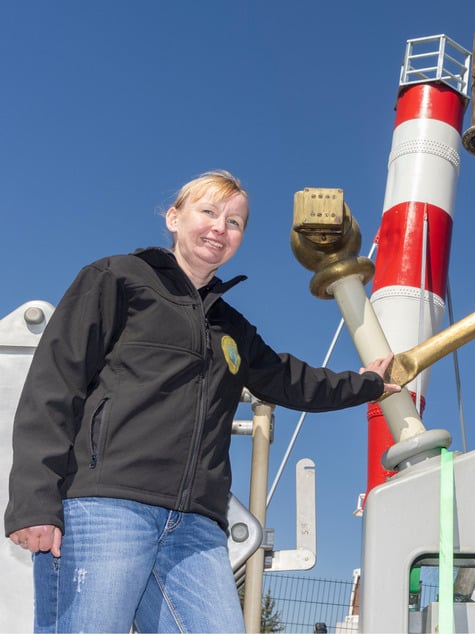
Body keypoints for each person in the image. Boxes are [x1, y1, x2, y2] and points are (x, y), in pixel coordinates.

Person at [4, 170, 401, 632]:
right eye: (208, 212)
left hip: (194, 526)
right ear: (174, 218)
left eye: (235, 222)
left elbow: (293, 381)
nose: (220, 228)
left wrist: (367, 384)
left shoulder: (233, 328)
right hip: (107, 507)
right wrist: (35, 502)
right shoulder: (117, 279)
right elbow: (54, 384)